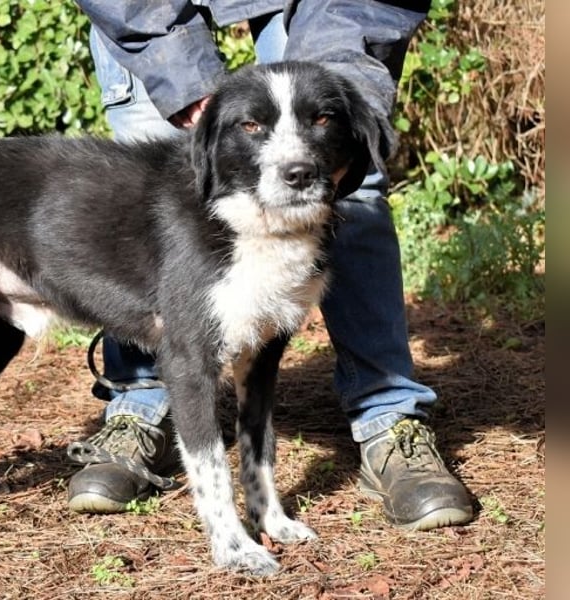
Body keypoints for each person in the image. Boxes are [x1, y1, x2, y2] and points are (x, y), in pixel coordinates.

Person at [66, 0, 474, 531]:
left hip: (322, 12)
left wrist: (345, 94)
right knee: (149, 192)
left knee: (352, 186)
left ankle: (388, 413)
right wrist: (181, 74)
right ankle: (141, 404)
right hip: (144, 13)